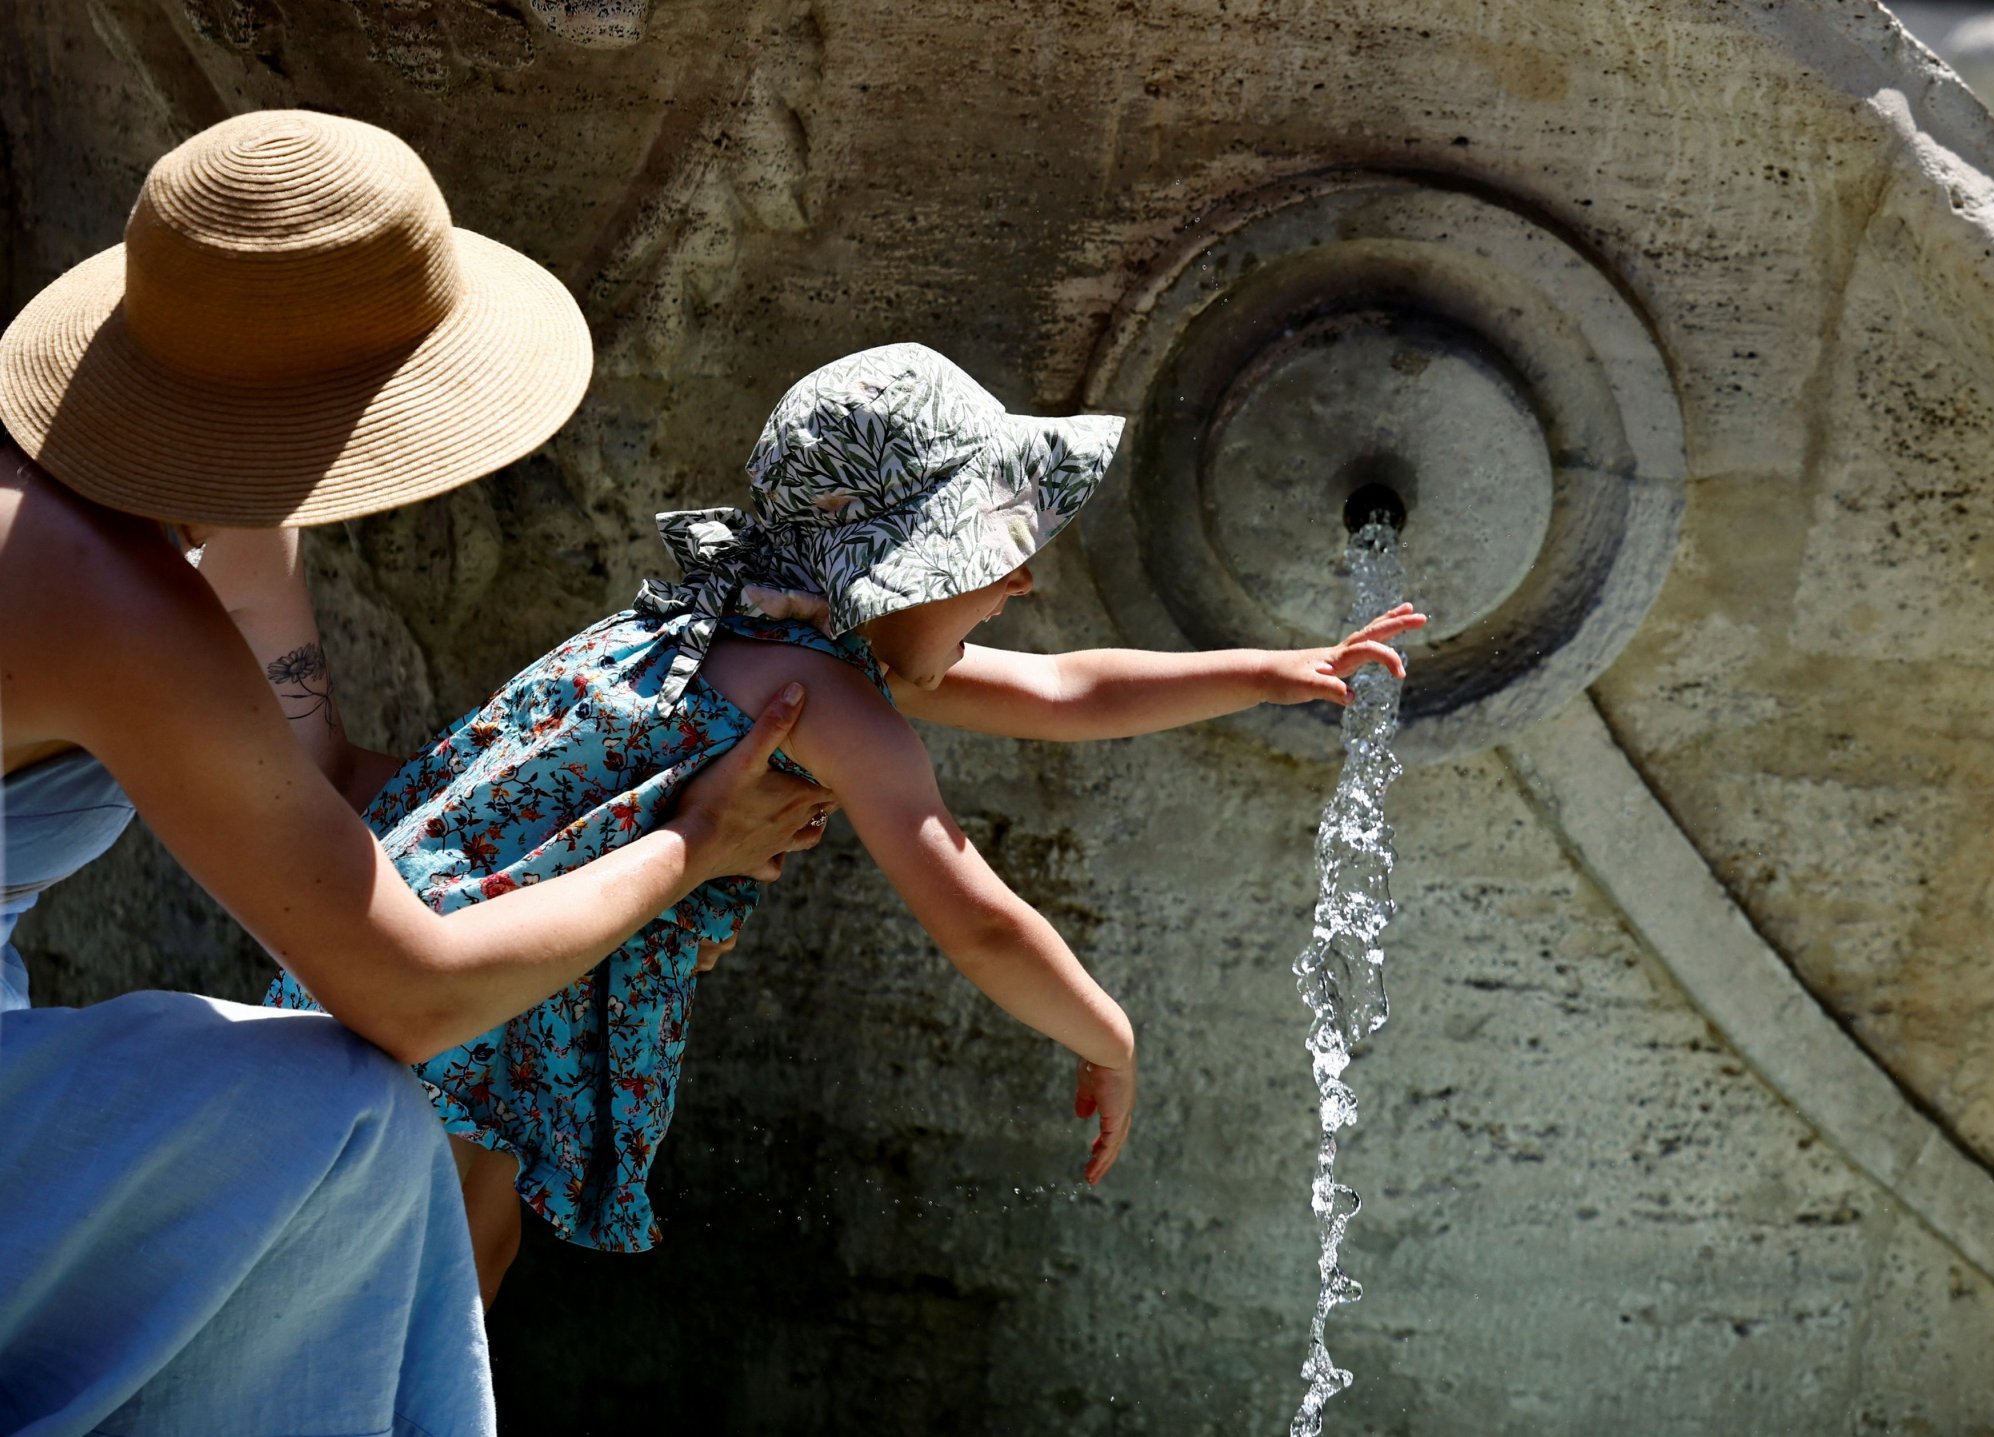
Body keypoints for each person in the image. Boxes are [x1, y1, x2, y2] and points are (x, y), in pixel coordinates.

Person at [269, 342, 1428, 1303]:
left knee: (442, 1257)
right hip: (476, 994)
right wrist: (1105, 1036)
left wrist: (1268, 670)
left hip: (410, 939)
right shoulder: (818, 697)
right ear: (899, 567)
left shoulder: (743, 624)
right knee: (443, 1272)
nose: (1018, 585)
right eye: (993, 558)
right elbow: (972, 917)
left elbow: (1069, 688)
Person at [0, 110, 831, 1436]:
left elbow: (315, 775)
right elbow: (407, 998)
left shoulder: (169, 519)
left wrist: (581, 826)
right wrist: (686, 852)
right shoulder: (108, 596)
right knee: (348, 1118)